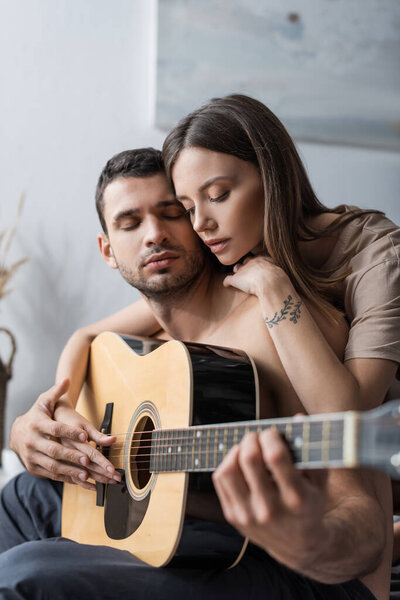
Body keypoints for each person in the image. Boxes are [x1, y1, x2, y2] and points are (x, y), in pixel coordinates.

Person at [2, 149, 392, 600]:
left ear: (201, 222)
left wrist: (309, 537)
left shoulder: (277, 325)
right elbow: (86, 338)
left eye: (173, 213)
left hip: (310, 576)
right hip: (211, 535)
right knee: (22, 496)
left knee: (25, 573)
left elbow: (360, 511)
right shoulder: (160, 333)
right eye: (130, 223)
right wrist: (41, 419)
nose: (154, 235)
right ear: (108, 250)